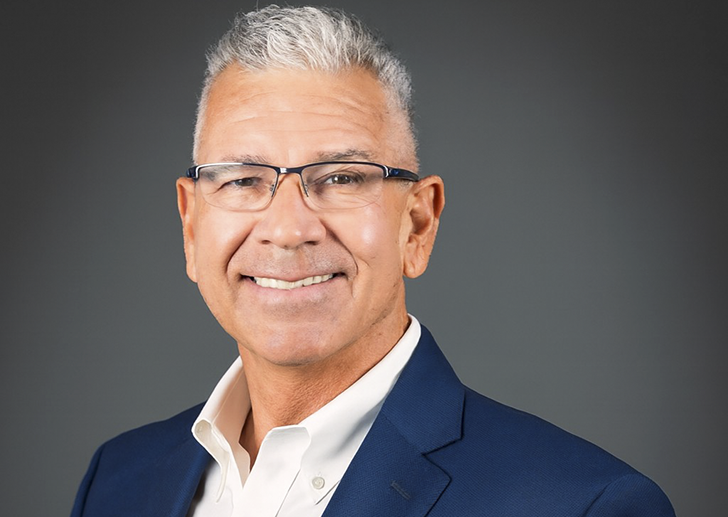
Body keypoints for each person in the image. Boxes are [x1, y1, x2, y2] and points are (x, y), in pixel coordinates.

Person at [71, 6, 675, 517]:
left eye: (341, 177)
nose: (288, 229)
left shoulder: (585, 504)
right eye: (242, 180)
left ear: (418, 224)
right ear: (191, 225)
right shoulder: (118, 482)